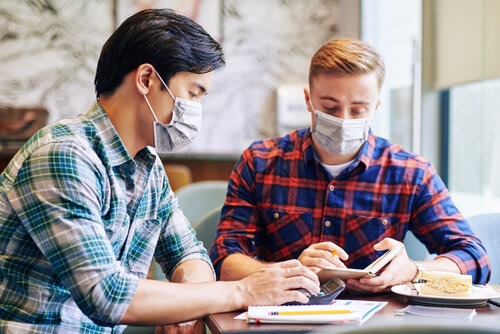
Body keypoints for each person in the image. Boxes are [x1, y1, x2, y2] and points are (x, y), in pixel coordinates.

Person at [0, 9, 321, 334]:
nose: (196, 109)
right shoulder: (64, 155)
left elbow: (189, 254)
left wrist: (189, 304)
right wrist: (242, 291)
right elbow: (107, 295)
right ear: (147, 79)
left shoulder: (147, 166)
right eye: (193, 93)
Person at [210, 38, 491, 293]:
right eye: (330, 108)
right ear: (309, 100)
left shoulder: (410, 172)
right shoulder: (260, 162)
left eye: (358, 110)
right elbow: (225, 260)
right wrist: (290, 271)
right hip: (283, 315)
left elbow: (473, 256)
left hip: (378, 321)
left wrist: (413, 270)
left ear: (376, 107)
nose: (343, 119)